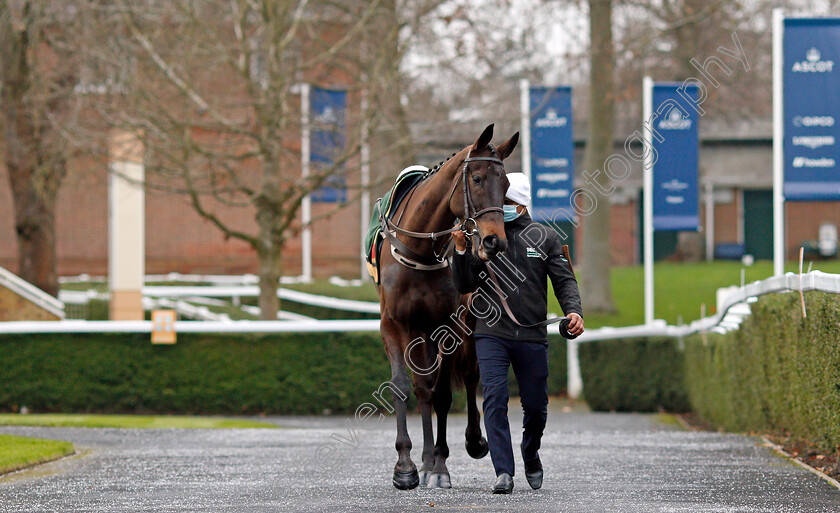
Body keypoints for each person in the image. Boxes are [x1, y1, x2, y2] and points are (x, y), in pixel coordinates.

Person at [451, 172, 584, 494]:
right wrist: (459, 252)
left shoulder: (546, 237)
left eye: (506, 202)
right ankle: (503, 472)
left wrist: (574, 310)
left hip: (532, 335)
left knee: (536, 406)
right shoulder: (484, 237)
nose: (500, 207)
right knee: (494, 399)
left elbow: (564, 281)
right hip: (491, 333)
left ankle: (531, 452)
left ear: (521, 203)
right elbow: (464, 285)